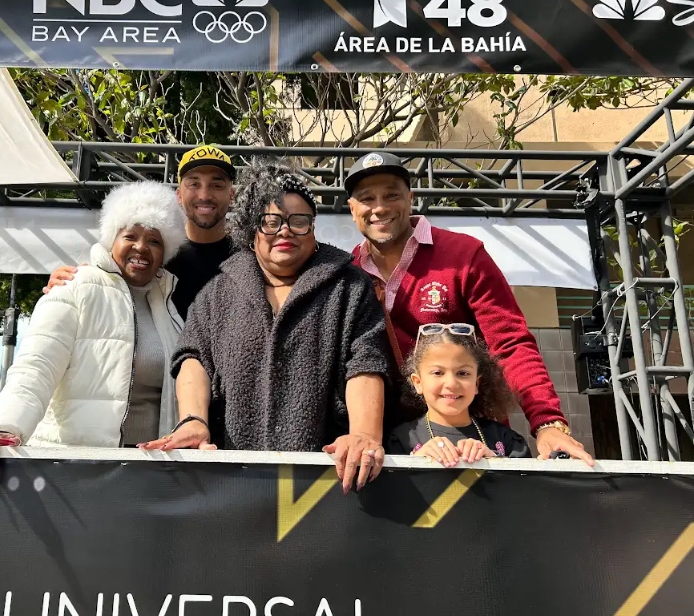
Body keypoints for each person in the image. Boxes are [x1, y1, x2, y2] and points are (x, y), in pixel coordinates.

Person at [139, 160, 394, 493]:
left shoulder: (350, 287)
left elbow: (366, 363)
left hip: (326, 482)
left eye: (298, 221)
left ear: (313, 228)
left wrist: (364, 434)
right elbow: (193, 358)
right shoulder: (218, 292)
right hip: (230, 479)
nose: (285, 231)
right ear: (251, 230)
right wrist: (193, 420)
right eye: (270, 222)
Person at [344, 151, 594, 465]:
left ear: (410, 198)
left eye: (391, 194)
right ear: (353, 209)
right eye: (366, 198)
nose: (379, 207)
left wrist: (547, 423)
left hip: (475, 442)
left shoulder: (463, 255)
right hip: (391, 446)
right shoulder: (346, 272)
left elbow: (510, 343)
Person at [0, 181, 187, 492]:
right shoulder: (75, 287)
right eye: (130, 236)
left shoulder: (169, 309)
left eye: (154, 240)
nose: (141, 247)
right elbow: (35, 367)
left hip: (149, 477)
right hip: (77, 473)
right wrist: (3, 426)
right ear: (112, 238)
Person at [44, 145, 237, 320]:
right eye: (194, 184)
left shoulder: (250, 257)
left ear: (231, 194)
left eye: (217, 185)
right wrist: (68, 284)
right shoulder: (156, 253)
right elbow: (105, 282)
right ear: (178, 194)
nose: (204, 195)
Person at [388, 323, 532, 464]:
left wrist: (494, 462)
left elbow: (527, 485)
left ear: (477, 383)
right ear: (418, 382)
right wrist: (415, 463)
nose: (451, 383)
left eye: (463, 373)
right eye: (438, 373)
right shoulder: (401, 440)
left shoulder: (507, 440)